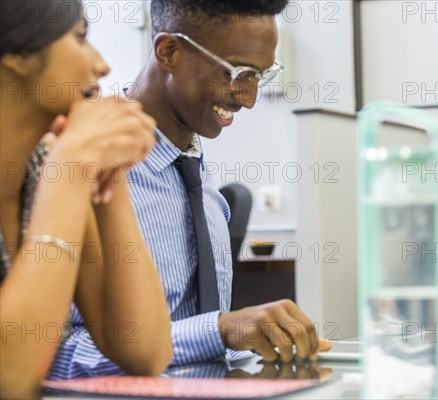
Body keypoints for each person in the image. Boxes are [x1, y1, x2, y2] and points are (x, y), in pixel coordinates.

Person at [52, 0, 331, 379]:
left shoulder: (199, 182)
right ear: (170, 52)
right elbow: (51, 355)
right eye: (240, 73)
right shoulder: (85, 177)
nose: (249, 98)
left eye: (260, 77)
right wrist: (217, 331)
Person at [0, 0, 173, 396]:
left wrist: (109, 172)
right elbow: (8, 377)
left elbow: (145, 351)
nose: (102, 65)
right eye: (80, 38)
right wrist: (74, 164)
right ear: (16, 55)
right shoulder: (60, 168)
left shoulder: (42, 165)